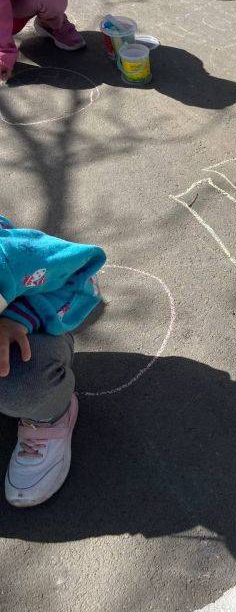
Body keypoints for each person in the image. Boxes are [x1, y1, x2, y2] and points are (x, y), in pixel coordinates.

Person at [0, 215, 106, 507]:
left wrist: (19, 318)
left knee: (22, 379)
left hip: (27, 337)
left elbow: (81, 274)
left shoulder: (9, 257)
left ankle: (47, 413)